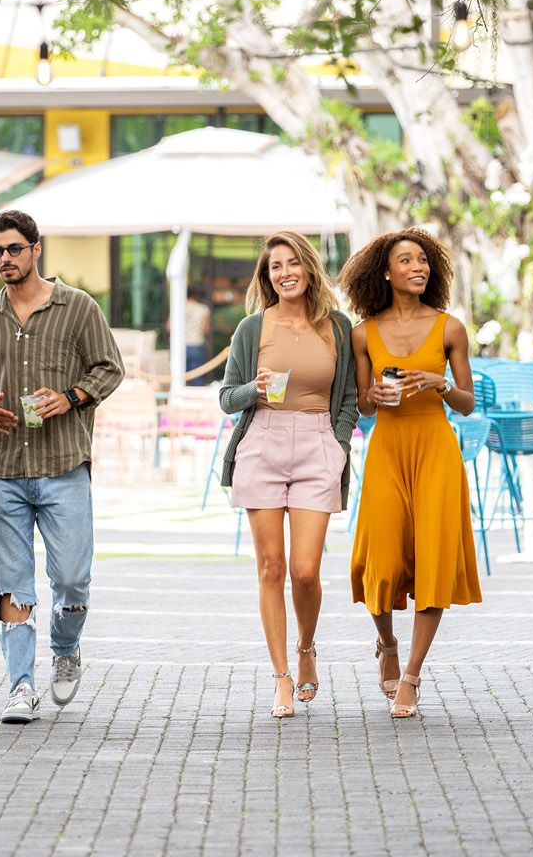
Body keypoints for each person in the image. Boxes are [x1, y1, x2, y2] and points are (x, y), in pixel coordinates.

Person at [0, 210, 124, 725]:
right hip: (4, 468)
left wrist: (71, 397)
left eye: (14, 249)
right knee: (13, 585)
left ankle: (65, 647)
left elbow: (110, 367)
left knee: (73, 580)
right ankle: (20, 686)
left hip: (64, 466)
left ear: (36, 250)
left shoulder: (78, 306)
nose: (5, 259)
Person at [340, 227, 480, 719]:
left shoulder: (449, 329)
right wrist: (372, 396)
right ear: (385, 272)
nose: (418, 267)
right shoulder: (363, 333)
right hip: (387, 448)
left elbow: (467, 403)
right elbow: (363, 406)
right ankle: (387, 644)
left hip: (435, 448)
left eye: (423, 261)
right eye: (407, 260)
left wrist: (441, 384)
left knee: (433, 560)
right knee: (379, 559)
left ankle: (412, 676)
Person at [217, 231, 358, 718]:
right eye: (275, 266)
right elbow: (226, 397)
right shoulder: (253, 329)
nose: (285, 273)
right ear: (267, 276)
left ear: (309, 268)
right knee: (271, 567)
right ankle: (281, 677)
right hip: (263, 443)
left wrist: (337, 446)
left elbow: (349, 399)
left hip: (319, 444)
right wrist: (252, 390)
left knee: (305, 570)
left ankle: (306, 647)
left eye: (292, 263)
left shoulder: (337, 327)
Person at [184, 288, 211, 376]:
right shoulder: (203, 309)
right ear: (194, 296)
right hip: (196, 344)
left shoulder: (177, 308)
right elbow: (206, 329)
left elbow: (169, 326)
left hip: (180, 346)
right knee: (197, 377)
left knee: (179, 378)